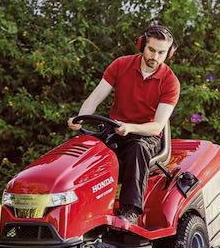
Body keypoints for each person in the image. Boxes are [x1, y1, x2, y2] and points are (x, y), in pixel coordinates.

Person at [68, 25, 180, 224]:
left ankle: (131, 210)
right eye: (151, 50)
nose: (155, 56)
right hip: (114, 128)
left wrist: (130, 128)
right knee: (85, 147)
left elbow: (156, 127)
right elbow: (94, 98)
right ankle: (74, 206)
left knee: (136, 149)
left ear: (169, 53)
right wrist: (81, 117)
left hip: (145, 136)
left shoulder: (170, 82)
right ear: (142, 45)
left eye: (161, 52)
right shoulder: (121, 65)